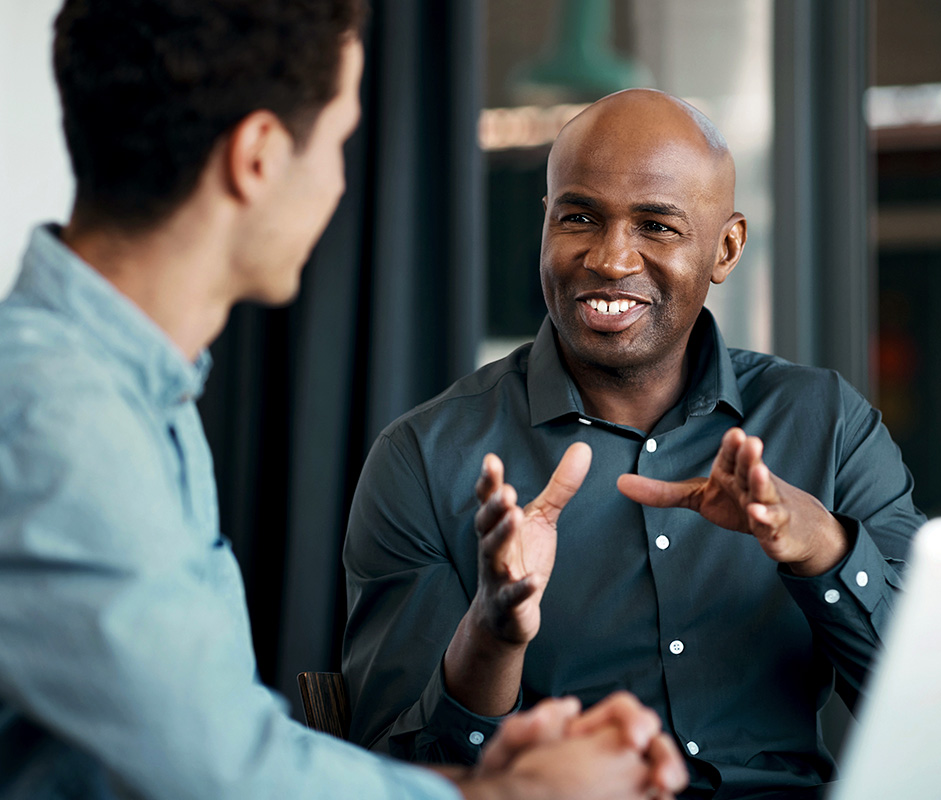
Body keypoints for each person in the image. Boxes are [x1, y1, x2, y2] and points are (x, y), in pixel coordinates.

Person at [0, 2, 688, 799]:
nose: (337, 182)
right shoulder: (57, 418)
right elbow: (220, 780)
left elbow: (208, 740)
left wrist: (492, 774)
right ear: (258, 158)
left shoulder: (128, 394)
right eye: (336, 143)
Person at [342, 88, 927, 798]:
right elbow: (395, 774)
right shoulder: (426, 457)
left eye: (656, 225)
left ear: (727, 247)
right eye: (579, 217)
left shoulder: (826, 423)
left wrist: (822, 549)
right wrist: (492, 636)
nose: (611, 259)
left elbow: (927, 706)